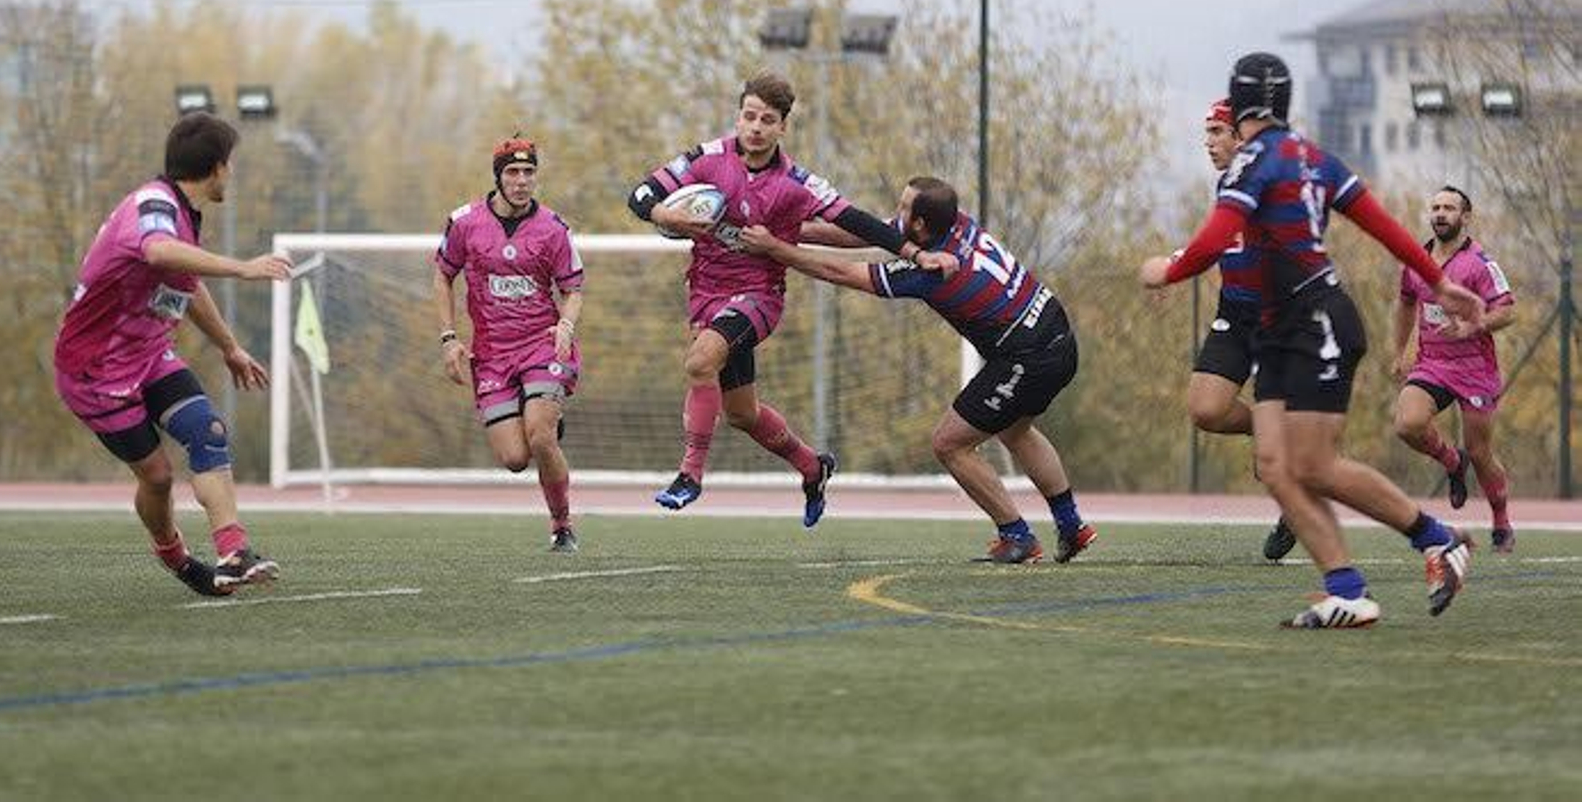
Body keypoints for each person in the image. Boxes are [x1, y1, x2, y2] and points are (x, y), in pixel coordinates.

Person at [1141, 52, 1485, 629]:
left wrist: (1167, 271)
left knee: (1315, 465)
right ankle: (1347, 591)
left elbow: (1213, 241)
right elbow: (1383, 224)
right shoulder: (1313, 157)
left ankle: (1439, 538)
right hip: (1283, 327)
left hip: (1315, 321)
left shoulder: (1253, 162)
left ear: (1239, 102)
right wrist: (1439, 281)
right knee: (1278, 468)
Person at [627, 70, 955, 526]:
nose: (756, 127)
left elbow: (858, 221)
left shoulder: (796, 183)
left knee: (701, 362)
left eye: (767, 119)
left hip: (758, 297)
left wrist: (916, 253)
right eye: (749, 116)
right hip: (705, 292)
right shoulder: (706, 159)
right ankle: (811, 466)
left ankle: (690, 475)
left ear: (783, 126)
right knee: (741, 414)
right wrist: (668, 215)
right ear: (738, 116)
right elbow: (640, 196)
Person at [741, 177, 1097, 563]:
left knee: (950, 443)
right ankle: (1071, 526)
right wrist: (793, 231)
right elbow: (872, 234)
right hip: (1057, 333)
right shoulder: (954, 222)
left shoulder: (934, 270)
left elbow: (840, 272)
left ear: (922, 226)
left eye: (904, 207)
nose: (897, 213)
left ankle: (1017, 537)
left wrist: (774, 248)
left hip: (1029, 356)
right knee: (1015, 429)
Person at [52, 112, 289, 597]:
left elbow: (185, 282)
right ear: (218, 168)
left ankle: (233, 551)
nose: (232, 174)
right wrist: (244, 269)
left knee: (208, 430)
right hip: (94, 372)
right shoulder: (154, 203)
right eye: (231, 165)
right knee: (158, 478)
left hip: (148, 355)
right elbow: (160, 253)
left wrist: (230, 348)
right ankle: (176, 557)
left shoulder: (183, 212)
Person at [435, 137, 584, 552]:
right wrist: (449, 338)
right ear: (497, 177)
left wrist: (567, 325)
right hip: (493, 356)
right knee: (516, 459)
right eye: (513, 173)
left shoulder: (553, 228)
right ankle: (544, 423)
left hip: (542, 347)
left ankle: (562, 526)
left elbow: (574, 288)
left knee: (539, 437)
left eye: (529, 172)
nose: (522, 181)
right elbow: (442, 275)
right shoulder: (464, 222)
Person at [1186, 99, 1298, 561]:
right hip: (1235, 311)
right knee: (1205, 410)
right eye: (1207, 132)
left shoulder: (1272, 182)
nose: (1208, 142)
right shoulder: (1226, 185)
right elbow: (1220, 241)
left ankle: (1300, 510)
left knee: (1285, 462)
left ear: (1241, 137)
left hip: (1281, 318)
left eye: (1216, 131)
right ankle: (1270, 432)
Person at [1392, 186, 1517, 551]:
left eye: (1449, 208)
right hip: (1432, 364)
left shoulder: (1480, 262)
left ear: (1465, 217)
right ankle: (1451, 461)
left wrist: (1472, 327)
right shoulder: (1416, 259)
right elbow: (1404, 303)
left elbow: (1507, 311)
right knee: (1407, 424)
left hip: (1474, 369)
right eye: (1435, 207)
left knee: (1480, 451)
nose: (1441, 213)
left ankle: (1501, 521)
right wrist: (1399, 351)